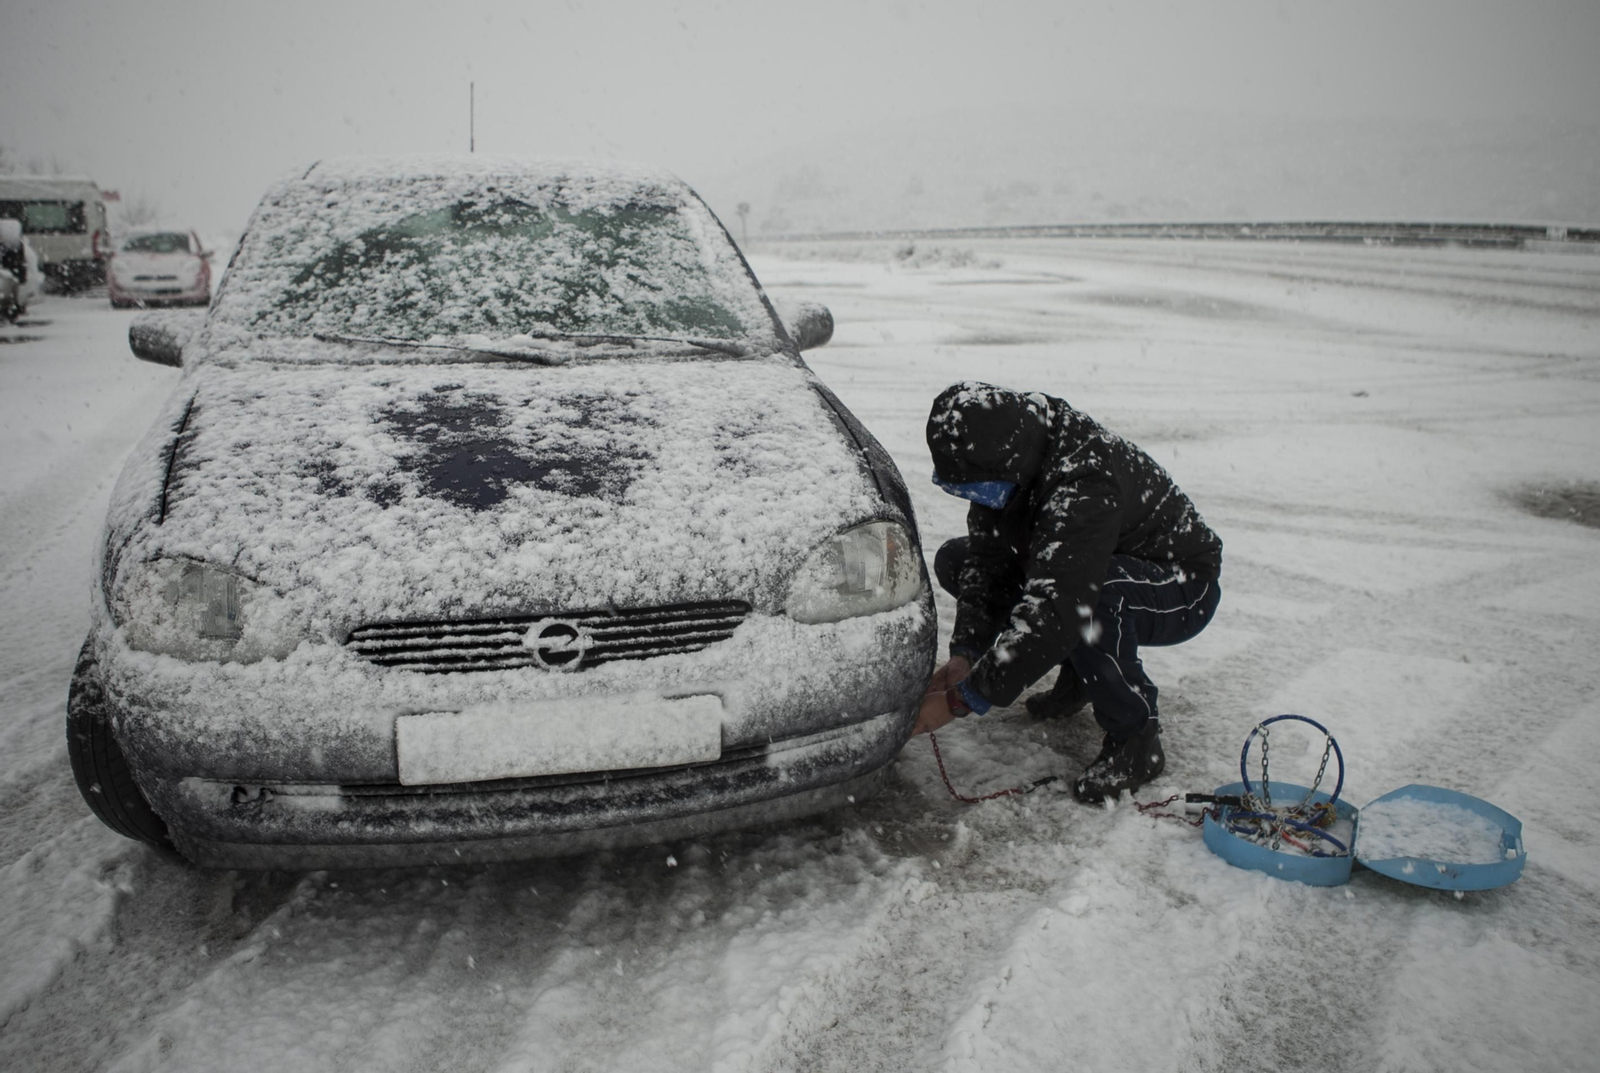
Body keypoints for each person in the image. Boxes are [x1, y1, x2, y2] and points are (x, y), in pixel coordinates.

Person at [913, 381, 1223, 802]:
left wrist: (962, 700)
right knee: (960, 558)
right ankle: (1081, 675)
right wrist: (965, 654)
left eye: (978, 487)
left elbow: (1060, 603)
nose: (977, 499)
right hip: (1098, 566)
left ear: (1008, 461)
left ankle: (1137, 739)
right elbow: (988, 562)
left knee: (1092, 597)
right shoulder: (1010, 453)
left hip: (1182, 586)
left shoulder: (1084, 481)